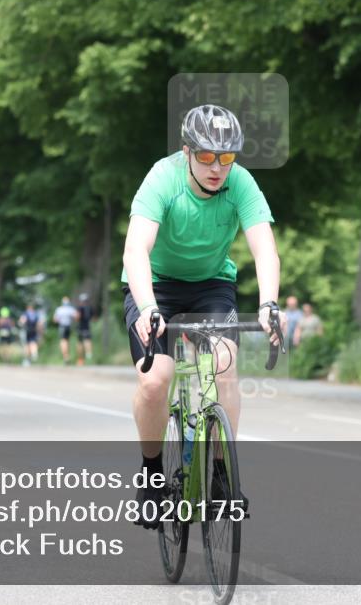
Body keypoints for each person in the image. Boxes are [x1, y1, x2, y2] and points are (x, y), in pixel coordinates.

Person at [122, 104, 285, 529]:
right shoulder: (163, 178)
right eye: (207, 157)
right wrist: (147, 308)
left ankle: (218, 475)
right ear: (187, 150)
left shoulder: (242, 184)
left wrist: (268, 303)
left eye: (226, 158)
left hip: (211, 285)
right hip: (154, 286)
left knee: (226, 367)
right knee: (155, 380)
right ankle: (152, 474)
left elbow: (264, 248)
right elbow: (136, 248)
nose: (217, 168)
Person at [53, 296, 78, 365]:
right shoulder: (71, 309)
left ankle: (66, 357)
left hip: (62, 327)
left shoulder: (59, 309)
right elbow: (76, 317)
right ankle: (67, 357)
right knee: (67, 341)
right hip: (69, 326)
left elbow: (55, 319)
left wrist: (61, 319)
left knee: (63, 342)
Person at [76, 293, 94, 365]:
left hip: (80, 327)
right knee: (88, 341)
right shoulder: (90, 308)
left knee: (80, 343)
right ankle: (89, 355)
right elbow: (93, 318)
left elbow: (77, 317)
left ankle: (80, 359)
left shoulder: (79, 308)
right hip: (87, 327)